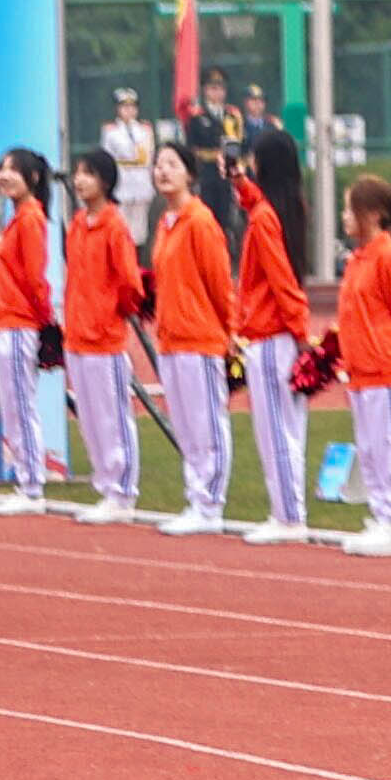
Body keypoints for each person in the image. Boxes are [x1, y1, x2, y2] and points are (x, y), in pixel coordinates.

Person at [144, 141, 238, 533]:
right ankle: (195, 495)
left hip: (201, 338)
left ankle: (210, 503)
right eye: (158, 165)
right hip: (171, 338)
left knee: (207, 424)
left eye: (172, 164)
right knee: (184, 424)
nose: (163, 172)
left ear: (190, 173)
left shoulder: (200, 221)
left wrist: (228, 331)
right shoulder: (165, 223)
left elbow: (219, 281)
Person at [332, 170, 391, 558]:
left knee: (389, 447)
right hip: (361, 370)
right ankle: (380, 511)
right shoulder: (356, 258)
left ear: (370, 213)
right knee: (368, 448)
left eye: (349, 208)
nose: (344, 216)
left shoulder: (387, 254)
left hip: (386, 367)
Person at [231, 132, 315, 544]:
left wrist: (299, 330)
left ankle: (287, 515)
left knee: (274, 430)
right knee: (289, 427)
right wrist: (239, 183)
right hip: (281, 333)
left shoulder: (265, 217)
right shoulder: (288, 206)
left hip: (271, 334)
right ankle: (289, 509)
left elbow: (281, 279)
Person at [55, 151, 140, 518]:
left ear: (105, 181)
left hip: (105, 338)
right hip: (77, 336)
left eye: (87, 174)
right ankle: (106, 485)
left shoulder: (114, 226)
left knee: (113, 416)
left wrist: (108, 315)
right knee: (89, 417)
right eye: (77, 174)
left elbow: (129, 285)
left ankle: (123, 490)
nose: (79, 181)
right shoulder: (76, 224)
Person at [0, 150, 58, 514]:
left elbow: (34, 277)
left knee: (20, 406)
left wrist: (44, 321)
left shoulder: (29, 219)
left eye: (14, 170)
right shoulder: (17, 218)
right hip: (9, 320)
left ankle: (31, 484)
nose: (5, 175)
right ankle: (26, 478)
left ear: (33, 178)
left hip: (21, 322)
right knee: (13, 405)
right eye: (3, 169)